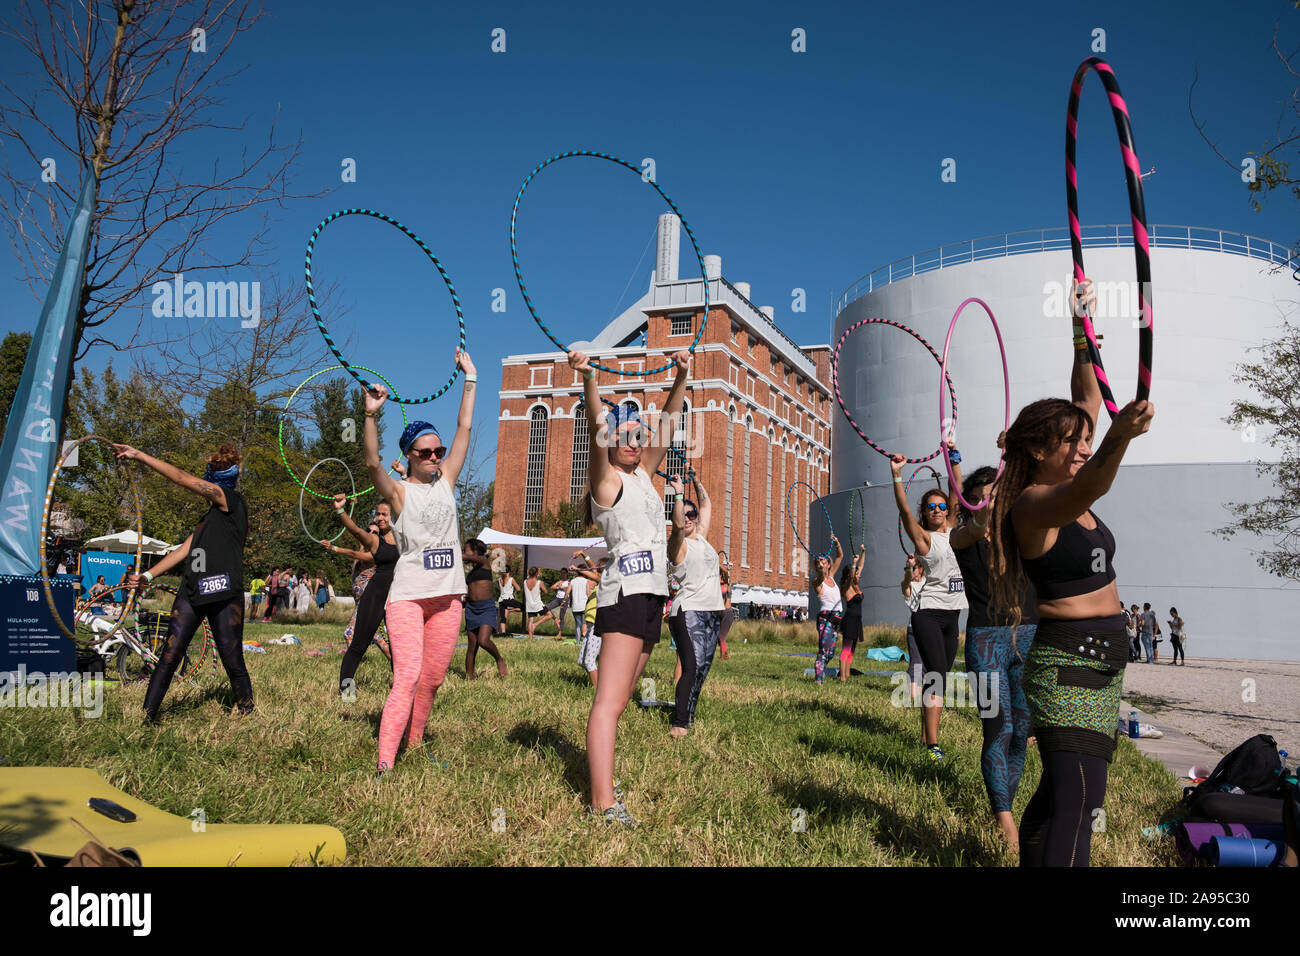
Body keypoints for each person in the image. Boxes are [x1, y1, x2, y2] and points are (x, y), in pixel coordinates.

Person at [984, 276, 1154, 867]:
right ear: (1036, 449)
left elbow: (1085, 399)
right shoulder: (1034, 504)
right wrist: (1118, 437)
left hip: (1101, 664)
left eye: (1086, 440)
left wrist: (1081, 330)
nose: (1083, 445)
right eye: (1072, 441)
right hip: (1070, 667)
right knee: (1081, 804)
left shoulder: (1065, 490)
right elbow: (1093, 476)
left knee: (1061, 797)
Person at [570, 345, 690, 827]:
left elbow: (668, 420)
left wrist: (682, 376)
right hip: (623, 593)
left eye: (637, 436)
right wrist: (589, 380)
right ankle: (602, 805)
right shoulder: (607, 483)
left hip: (652, 596)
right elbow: (599, 428)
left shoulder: (642, 473)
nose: (634, 442)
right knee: (611, 702)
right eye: (623, 434)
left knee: (621, 699)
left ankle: (603, 783)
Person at [362, 350, 477, 779]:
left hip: (448, 598)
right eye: (425, 452)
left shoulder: (447, 481)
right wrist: (372, 416)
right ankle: (385, 765)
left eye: (438, 450)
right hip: (408, 597)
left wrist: (471, 378)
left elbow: (465, 426)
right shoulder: (398, 492)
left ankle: (415, 744)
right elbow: (372, 463)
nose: (434, 456)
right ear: (409, 454)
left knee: (432, 681)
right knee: (406, 676)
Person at [114, 441, 253, 722]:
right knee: (169, 653)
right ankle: (147, 715)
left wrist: (139, 454)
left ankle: (247, 712)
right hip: (192, 593)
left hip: (224, 594)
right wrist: (148, 576)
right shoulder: (209, 519)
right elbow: (183, 550)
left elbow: (180, 477)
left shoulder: (230, 501)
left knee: (232, 658)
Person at [951, 464, 1038, 847]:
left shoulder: (1027, 532)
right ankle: (1008, 827)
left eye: (999, 494)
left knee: (1021, 734)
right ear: (972, 504)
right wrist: (978, 516)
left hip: (1029, 638)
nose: (994, 502)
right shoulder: (964, 538)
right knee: (998, 730)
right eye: (985, 496)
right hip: (986, 643)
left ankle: (1002, 804)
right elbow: (967, 529)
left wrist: (1015, 453)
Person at [890, 441, 967, 761]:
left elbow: (957, 487)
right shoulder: (923, 538)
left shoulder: (954, 530)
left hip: (953, 616)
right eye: (931, 507)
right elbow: (904, 510)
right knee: (935, 674)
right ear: (925, 513)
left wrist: (953, 457)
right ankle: (934, 745)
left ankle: (925, 738)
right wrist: (896, 475)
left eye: (941, 506)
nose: (938, 509)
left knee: (942, 676)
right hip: (929, 614)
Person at [665, 473, 724, 737]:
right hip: (688, 611)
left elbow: (707, 504)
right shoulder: (678, 545)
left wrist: (696, 480)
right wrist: (678, 493)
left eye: (692, 514)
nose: (688, 518)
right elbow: (677, 526)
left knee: (701, 670)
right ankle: (679, 724)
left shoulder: (701, 538)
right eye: (685, 514)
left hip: (713, 612)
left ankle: (687, 713)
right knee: (691, 666)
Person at [325, 496, 398, 695]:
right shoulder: (375, 541)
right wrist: (341, 510)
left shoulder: (406, 539)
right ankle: (347, 693)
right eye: (378, 514)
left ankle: (402, 691)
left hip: (398, 599)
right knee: (358, 645)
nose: (380, 518)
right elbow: (356, 531)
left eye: (385, 514)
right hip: (375, 596)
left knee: (400, 650)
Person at [462, 537, 508, 679]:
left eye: (466, 550)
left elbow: (464, 557)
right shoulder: (471, 572)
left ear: (475, 551)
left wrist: (450, 552)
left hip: (486, 608)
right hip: (471, 608)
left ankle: (499, 659)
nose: (464, 553)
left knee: (483, 640)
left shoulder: (484, 562)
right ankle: (470, 677)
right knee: (472, 646)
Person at [810, 537, 845, 686]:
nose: (821, 564)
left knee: (831, 653)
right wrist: (819, 571)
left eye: (823, 562)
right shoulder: (817, 581)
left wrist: (837, 543)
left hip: (837, 619)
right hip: (826, 618)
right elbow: (818, 578)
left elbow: (840, 556)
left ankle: (821, 670)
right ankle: (818, 679)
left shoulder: (831, 577)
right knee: (824, 650)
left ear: (828, 564)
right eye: (818, 562)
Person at [572, 558, 606, 687]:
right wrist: (583, 554)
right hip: (591, 625)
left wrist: (578, 570)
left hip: (598, 626)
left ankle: (598, 690)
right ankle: (597, 682)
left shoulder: (605, 582)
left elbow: (593, 572)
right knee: (582, 661)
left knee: (589, 661)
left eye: (599, 570)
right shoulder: (599, 583)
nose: (595, 572)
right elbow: (592, 568)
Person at [836, 545, 866, 682]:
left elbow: (862, 566)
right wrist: (854, 563)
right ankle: (842, 678)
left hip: (857, 621)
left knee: (852, 650)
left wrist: (863, 552)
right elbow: (853, 574)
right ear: (850, 575)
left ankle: (847, 674)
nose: (859, 575)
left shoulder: (856, 586)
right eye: (856, 573)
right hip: (850, 620)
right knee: (846, 649)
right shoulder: (847, 587)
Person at [901, 556, 926, 700]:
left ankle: (920, 693)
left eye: (913, 568)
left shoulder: (927, 581)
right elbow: (905, 582)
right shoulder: (908, 585)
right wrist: (910, 567)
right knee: (916, 661)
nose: (909, 571)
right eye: (907, 569)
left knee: (926, 663)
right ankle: (913, 696)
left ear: (921, 569)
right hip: (914, 628)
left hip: (929, 628)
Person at [522, 567, 554, 637]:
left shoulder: (525, 582)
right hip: (538, 604)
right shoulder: (539, 582)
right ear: (536, 573)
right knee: (550, 615)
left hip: (529, 604)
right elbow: (546, 591)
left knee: (530, 620)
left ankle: (530, 637)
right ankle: (535, 625)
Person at [568, 554, 591, 645]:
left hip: (575, 606)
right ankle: (585, 640)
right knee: (585, 623)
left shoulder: (573, 581)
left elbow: (568, 592)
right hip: (584, 605)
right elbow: (588, 594)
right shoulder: (586, 581)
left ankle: (577, 642)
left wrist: (564, 601)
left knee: (578, 624)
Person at [496, 569, 523, 636]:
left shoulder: (499, 579)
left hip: (501, 600)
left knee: (503, 618)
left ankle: (503, 633)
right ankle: (509, 611)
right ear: (509, 571)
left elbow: (499, 588)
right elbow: (518, 589)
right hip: (508, 599)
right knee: (524, 607)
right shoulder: (511, 579)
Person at [717, 567, 733, 660]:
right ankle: (725, 654)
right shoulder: (719, 585)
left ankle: (723, 656)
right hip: (721, 613)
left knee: (721, 636)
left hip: (727, 613)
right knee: (718, 636)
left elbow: (723, 599)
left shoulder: (725, 587)